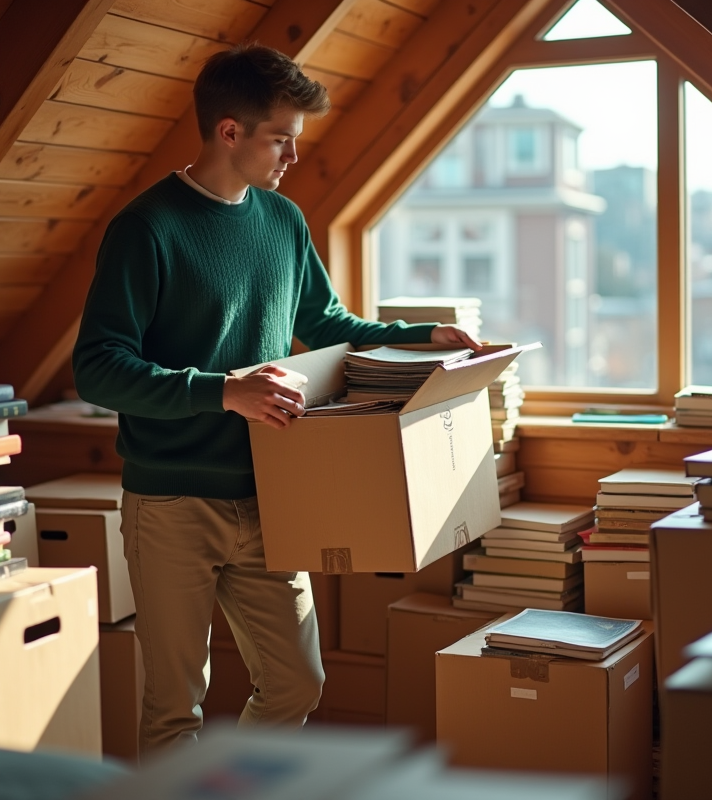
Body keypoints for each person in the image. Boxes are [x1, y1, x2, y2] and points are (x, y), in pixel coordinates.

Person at [72, 42, 480, 754]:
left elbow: (328, 326)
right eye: (281, 140)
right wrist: (223, 392)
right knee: (174, 710)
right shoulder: (146, 229)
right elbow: (99, 370)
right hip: (171, 504)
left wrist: (426, 336)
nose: (292, 157)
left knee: (297, 682)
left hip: (269, 498)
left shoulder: (283, 223)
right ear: (229, 131)